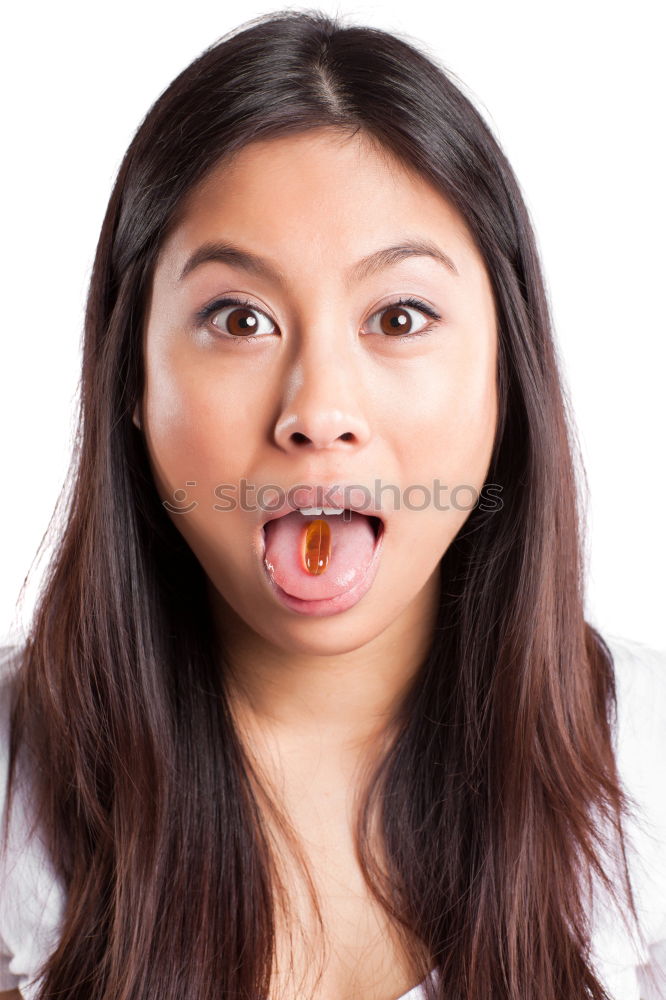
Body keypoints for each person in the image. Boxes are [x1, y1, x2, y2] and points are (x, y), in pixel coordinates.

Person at [1, 8, 665, 1000]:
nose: (318, 410)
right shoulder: (17, 774)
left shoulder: (646, 758)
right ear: (130, 375)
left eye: (400, 316)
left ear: (504, 374)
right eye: (238, 318)